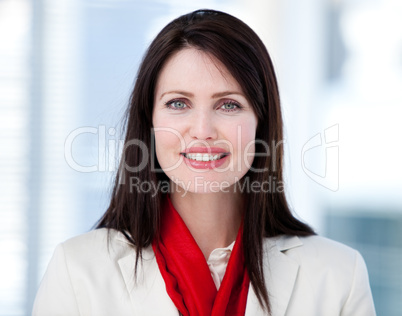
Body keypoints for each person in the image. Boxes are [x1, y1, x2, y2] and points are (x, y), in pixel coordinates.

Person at [33, 9, 376, 316]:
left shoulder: (339, 276)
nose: (202, 131)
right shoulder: (77, 271)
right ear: (149, 121)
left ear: (262, 123)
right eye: (178, 103)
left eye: (228, 105)